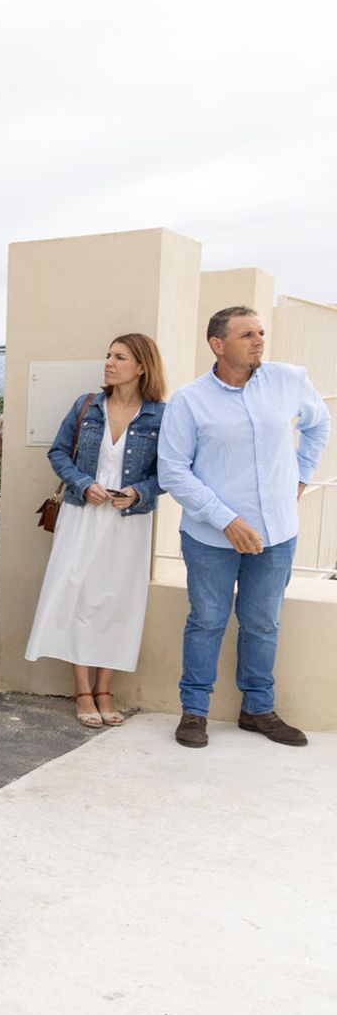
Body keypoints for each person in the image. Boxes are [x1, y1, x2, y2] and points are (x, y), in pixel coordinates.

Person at [158, 306, 329, 749]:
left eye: (261, 332)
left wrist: (300, 477)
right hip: (211, 536)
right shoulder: (189, 401)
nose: (259, 341)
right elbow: (174, 471)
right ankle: (194, 712)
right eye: (247, 334)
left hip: (277, 532)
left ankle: (257, 708)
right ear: (217, 345)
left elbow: (318, 425)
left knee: (263, 622)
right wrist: (226, 520)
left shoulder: (288, 380)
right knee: (207, 621)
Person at [26, 334, 168, 728]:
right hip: (82, 514)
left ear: (141, 366)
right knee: (79, 596)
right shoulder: (87, 405)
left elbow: (171, 471)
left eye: (119, 357)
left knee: (117, 602)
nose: (108, 362)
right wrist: (82, 483)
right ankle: (82, 690)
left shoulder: (161, 415)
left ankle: (105, 689)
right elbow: (57, 452)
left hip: (128, 521)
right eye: (108, 355)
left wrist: (139, 492)